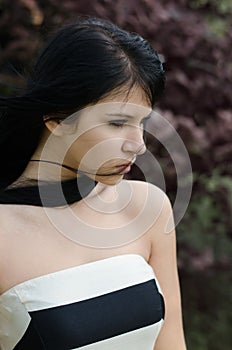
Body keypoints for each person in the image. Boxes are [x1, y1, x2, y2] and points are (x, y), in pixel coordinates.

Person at [0, 16, 187, 350]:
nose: (139, 144)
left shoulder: (147, 209)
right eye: (117, 123)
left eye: (142, 122)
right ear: (56, 119)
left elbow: (171, 343)